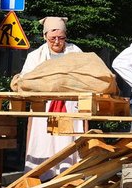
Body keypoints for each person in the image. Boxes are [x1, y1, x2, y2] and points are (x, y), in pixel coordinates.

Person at [19, 16, 84, 179]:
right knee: (43, 142)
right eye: (52, 38)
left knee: (68, 144)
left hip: (70, 108)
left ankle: (69, 180)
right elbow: (25, 79)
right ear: (45, 37)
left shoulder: (75, 52)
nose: (57, 42)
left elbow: (86, 75)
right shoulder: (36, 56)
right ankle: (43, 178)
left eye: (61, 38)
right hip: (44, 108)